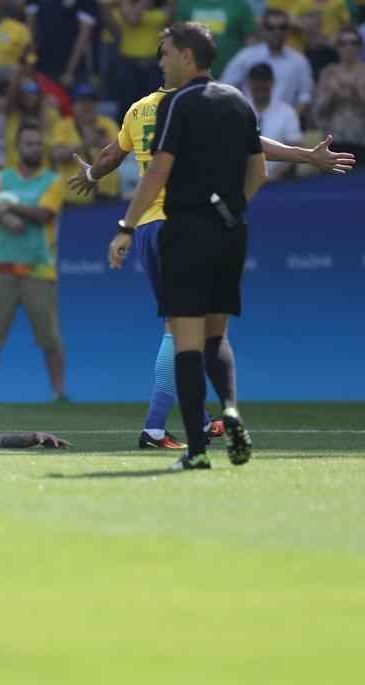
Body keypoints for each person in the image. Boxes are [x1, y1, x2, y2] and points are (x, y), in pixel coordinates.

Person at [72, 69, 352, 451]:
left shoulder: (138, 110)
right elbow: (250, 145)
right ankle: (154, 428)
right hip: (181, 224)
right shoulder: (194, 106)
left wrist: (91, 173)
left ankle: (200, 421)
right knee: (183, 327)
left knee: (188, 326)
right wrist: (306, 155)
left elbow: (110, 155)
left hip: (148, 228)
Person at [107, 23, 266, 470]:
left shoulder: (176, 103)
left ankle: (196, 452)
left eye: (167, 53)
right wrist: (232, 211)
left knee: (187, 343)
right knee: (218, 337)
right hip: (231, 232)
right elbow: (259, 172)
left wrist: (126, 226)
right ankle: (230, 409)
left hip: (186, 231)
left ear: (187, 56)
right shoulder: (238, 101)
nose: (162, 61)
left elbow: (158, 171)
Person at [0, 124, 67, 402]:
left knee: (50, 339)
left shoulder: (53, 181)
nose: (34, 148)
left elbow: (44, 214)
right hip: (3, 268)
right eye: (29, 143)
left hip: (39, 269)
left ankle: (59, 394)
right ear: (18, 148)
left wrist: (10, 206)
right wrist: (2, 216)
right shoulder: (2, 178)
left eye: (38, 144)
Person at [220, 8, 314, 117]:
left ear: (288, 31)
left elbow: (305, 97)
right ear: (263, 30)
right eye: (270, 28)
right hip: (249, 118)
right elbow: (226, 87)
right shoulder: (246, 56)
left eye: (282, 27)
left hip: (284, 121)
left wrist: (289, 119)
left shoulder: (300, 61)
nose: (277, 32)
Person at [313, 27, 365, 166]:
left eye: (353, 43)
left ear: (360, 47)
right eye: (343, 43)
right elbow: (317, 112)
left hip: (363, 141)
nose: (349, 47)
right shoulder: (328, 73)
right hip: (334, 142)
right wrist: (331, 96)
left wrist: (359, 94)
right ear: (337, 47)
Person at [51, 82, 120, 203]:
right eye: (82, 101)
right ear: (73, 105)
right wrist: (86, 144)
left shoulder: (108, 124)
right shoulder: (63, 126)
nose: (87, 105)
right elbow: (58, 155)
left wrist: (101, 142)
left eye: (91, 101)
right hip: (74, 198)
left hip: (108, 196)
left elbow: (120, 151)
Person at [25, 0, 99, 87]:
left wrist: (69, 71)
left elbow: (84, 36)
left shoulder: (86, 2)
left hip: (71, 69)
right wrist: (31, 64)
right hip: (41, 65)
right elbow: (30, 29)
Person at [247, 63, 301, 179]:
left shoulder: (287, 113)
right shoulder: (240, 110)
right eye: (256, 81)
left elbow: (295, 148)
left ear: (272, 83)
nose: (260, 85)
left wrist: (273, 176)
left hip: (278, 182)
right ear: (249, 83)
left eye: (264, 81)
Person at [173, 0, 255, 77]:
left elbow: (250, 41)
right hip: (194, 76)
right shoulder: (185, 3)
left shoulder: (239, 4)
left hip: (232, 75)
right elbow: (177, 39)